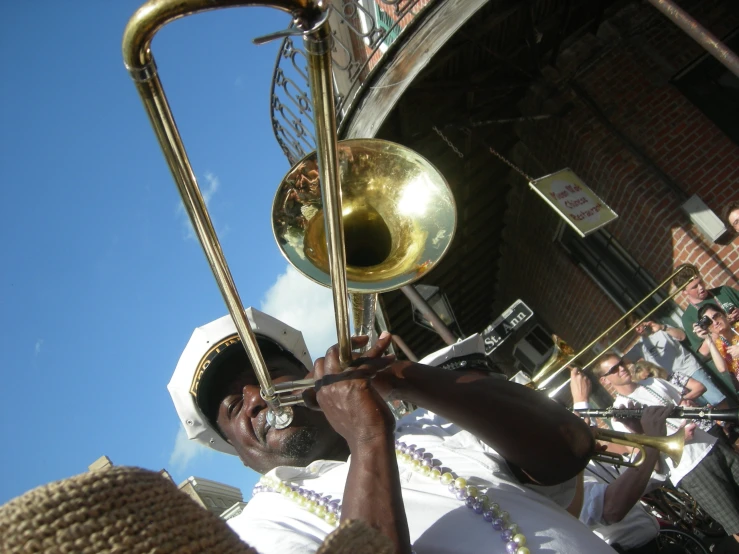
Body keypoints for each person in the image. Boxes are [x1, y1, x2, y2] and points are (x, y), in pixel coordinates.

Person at [169, 309, 616, 554]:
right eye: (234, 406)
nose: (258, 396)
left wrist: (403, 377)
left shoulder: (424, 427)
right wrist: (366, 438)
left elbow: (571, 446)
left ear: (317, 378)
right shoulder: (257, 530)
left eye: (271, 374)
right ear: (237, 452)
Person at [594, 352, 739, 544]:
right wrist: (678, 437)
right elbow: (649, 456)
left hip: (711, 444)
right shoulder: (620, 414)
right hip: (690, 469)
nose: (621, 368)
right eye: (613, 369)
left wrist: (689, 407)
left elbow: (683, 403)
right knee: (735, 522)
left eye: (621, 363)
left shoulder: (653, 383)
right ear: (605, 381)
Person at [570, 367, 676, 553]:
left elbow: (645, 478)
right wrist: (580, 402)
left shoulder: (588, 457)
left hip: (655, 540)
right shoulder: (561, 474)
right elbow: (610, 510)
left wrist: (641, 435)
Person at [622, 316, 725, 407]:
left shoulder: (663, 328)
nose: (638, 329)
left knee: (717, 400)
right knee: (703, 410)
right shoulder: (640, 347)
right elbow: (621, 362)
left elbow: (682, 336)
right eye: (634, 328)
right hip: (675, 383)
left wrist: (663, 327)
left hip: (690, 370)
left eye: (638, 324)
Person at [696, 303, 739, 392]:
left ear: (724, 314)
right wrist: (709, 340)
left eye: (716, 316)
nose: (715, 323)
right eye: (709, 323)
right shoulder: (719, 346)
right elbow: (722, 369)